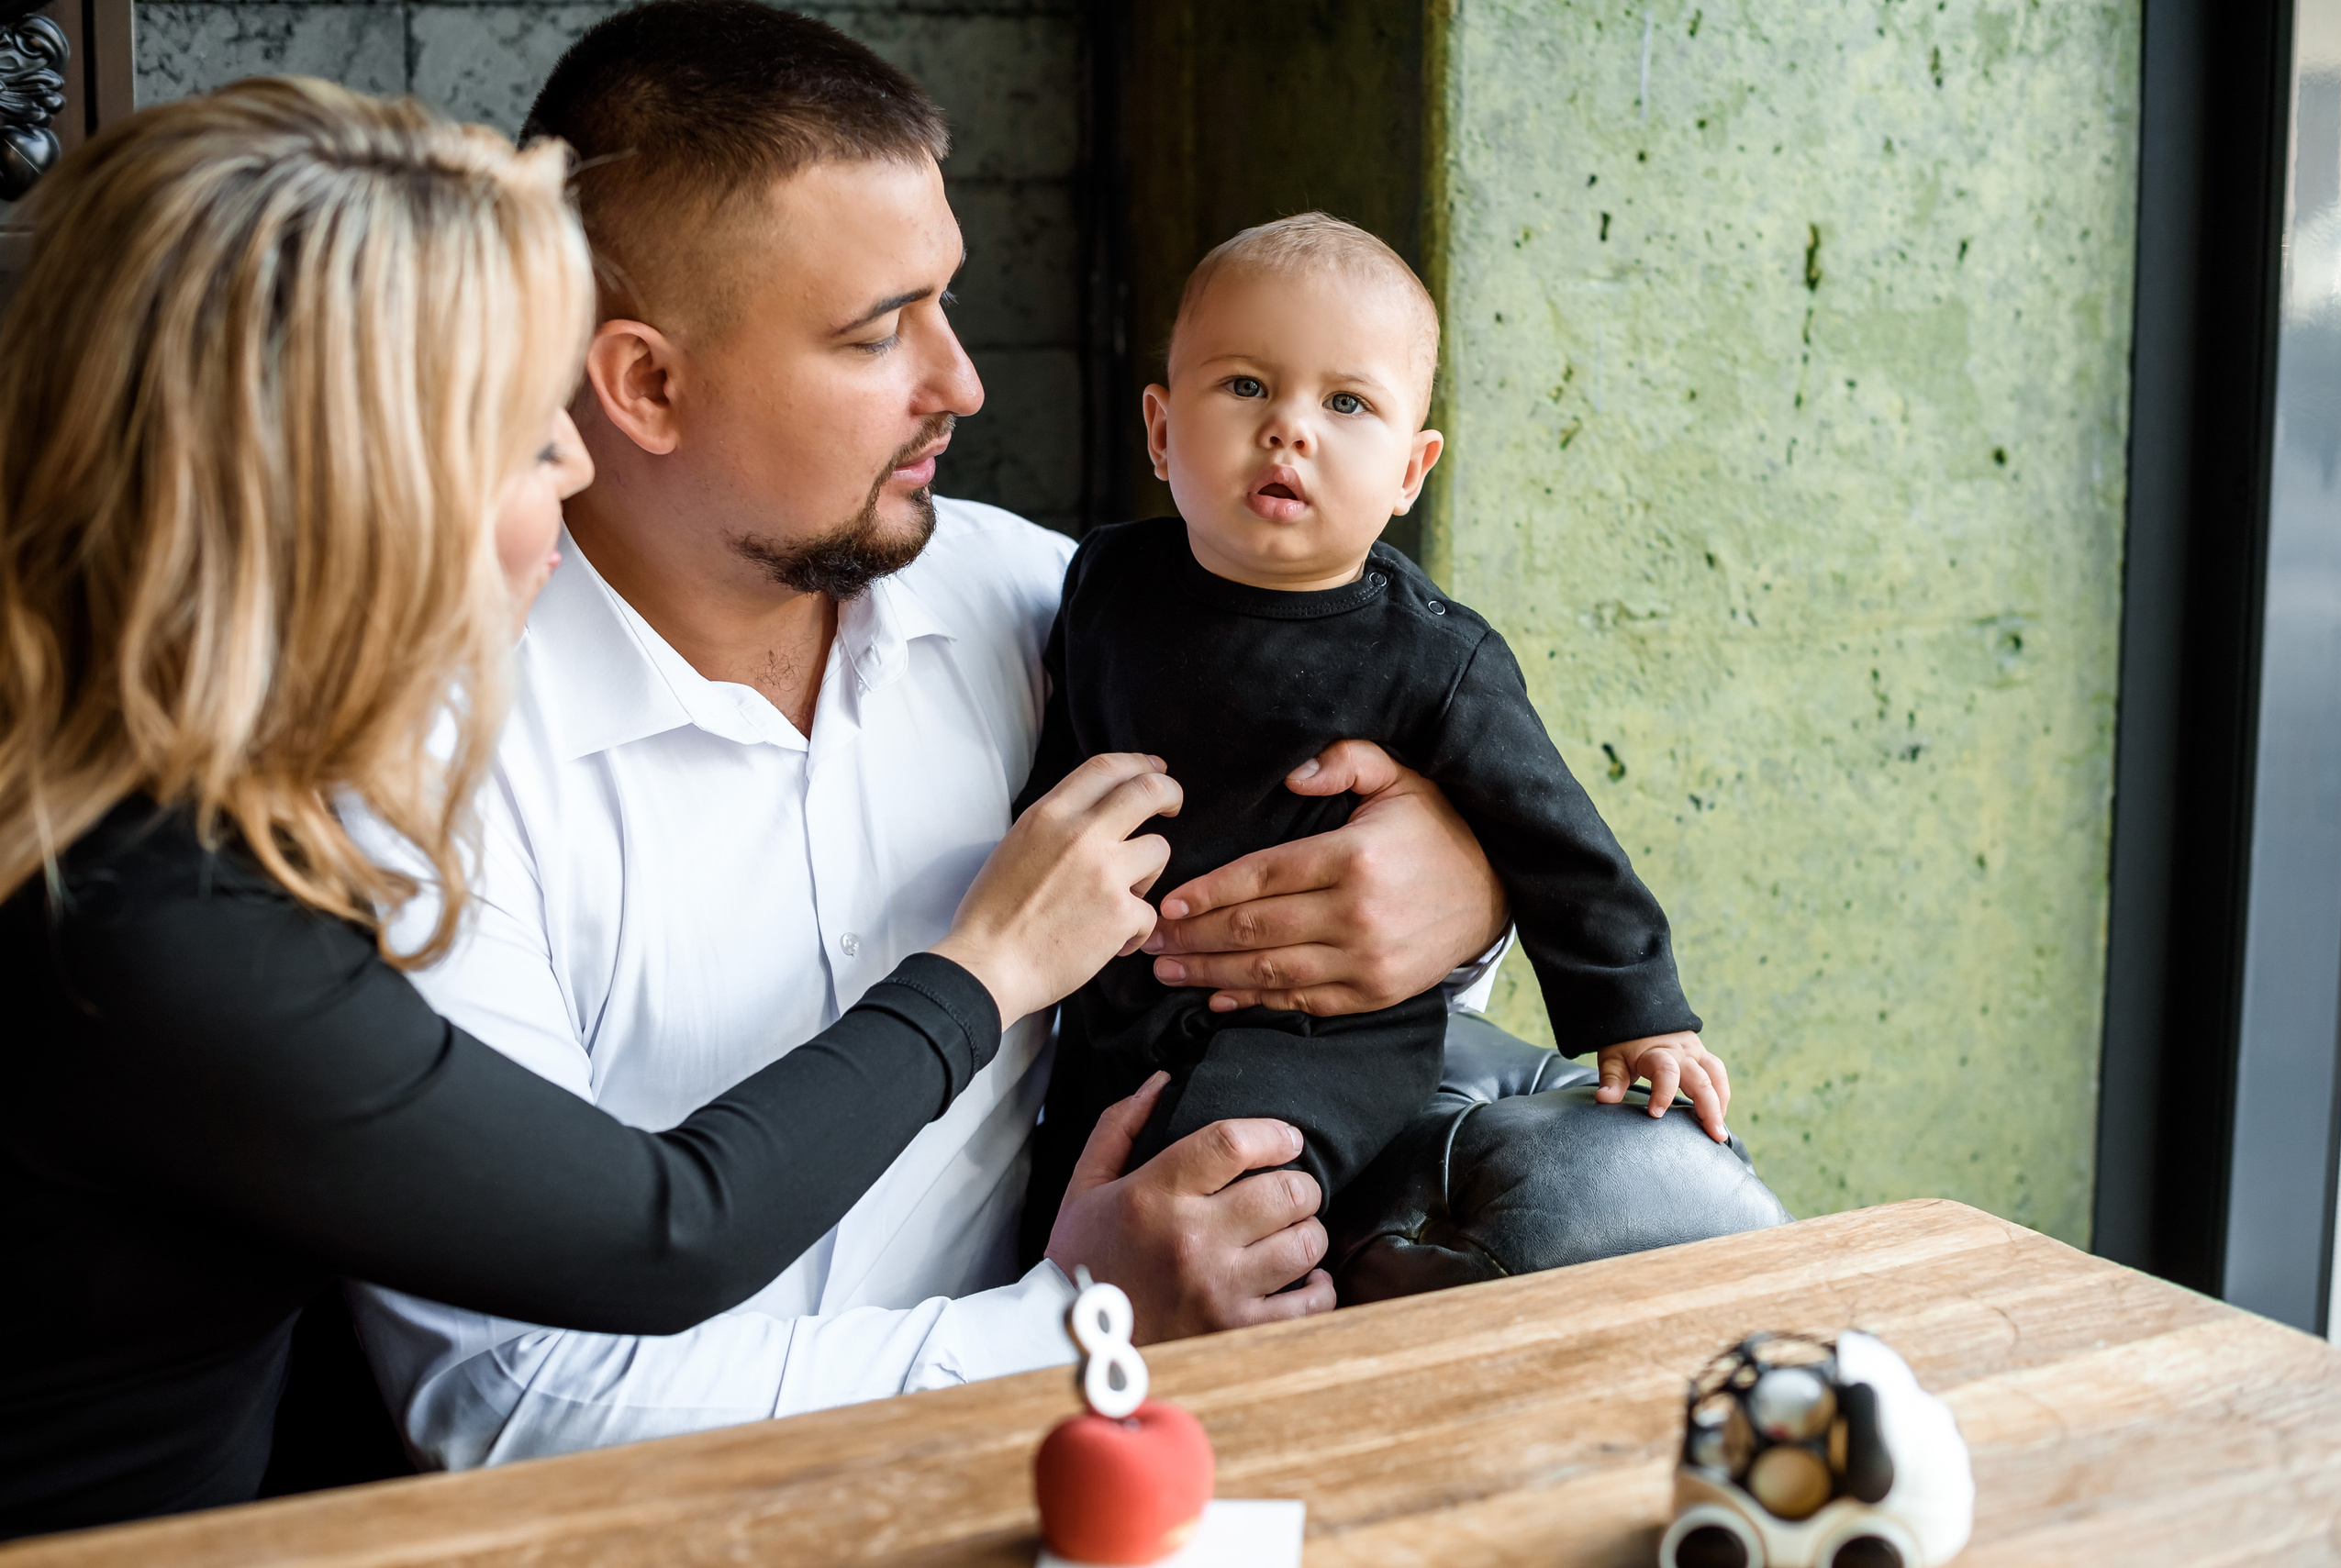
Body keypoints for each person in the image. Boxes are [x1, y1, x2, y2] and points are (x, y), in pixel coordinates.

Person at [0, 77, 1185, 1539]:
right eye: (520, 433)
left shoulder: (156, 817)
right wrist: (987, 978)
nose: (572, 469)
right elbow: (656, 1243)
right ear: (353, 492)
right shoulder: (158, 923)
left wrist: (1458, 878)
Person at [351, 0, 1516, 1470]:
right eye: (876, 331)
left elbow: (1364, 833)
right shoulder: (425, 769)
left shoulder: (1040, 605)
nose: (960, 380)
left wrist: (1453, 890)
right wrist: (1074, 1317)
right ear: (645, 383)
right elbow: (518, 1403)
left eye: (945, 301)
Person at [1016, 215, 1735, 1261]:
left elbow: (1553, 835)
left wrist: (1640, 1010)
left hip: (1320, 1029)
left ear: (1410, 468)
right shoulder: (1107, 582)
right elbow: (1067, 751)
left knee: (1218, 1172)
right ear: (1162, 430)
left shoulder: (1431, 658)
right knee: (1062, 1192)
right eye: (1246, 386)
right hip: (1124, 999)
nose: (1289, 429)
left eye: (1345, 402)